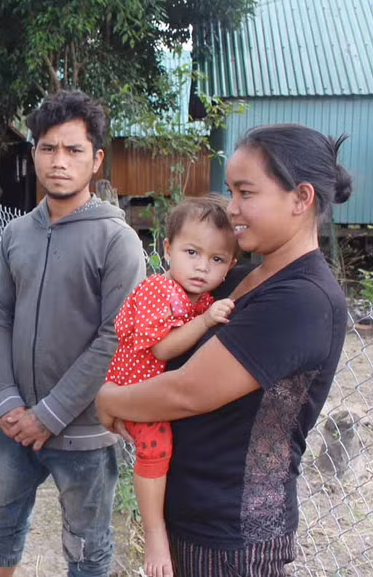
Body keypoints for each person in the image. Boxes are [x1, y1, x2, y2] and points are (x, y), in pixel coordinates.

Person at [96, 124, 351, 576]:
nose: (231, 209)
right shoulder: (238, 278)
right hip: (192, 514)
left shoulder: (302, 299)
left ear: (301, 198)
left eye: (245, 193)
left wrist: (108, 398)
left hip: (233, 537)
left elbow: (186, 392)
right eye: (230, 191)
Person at [0, 89, 146, 577]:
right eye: (48, 148)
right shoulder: (17, 234)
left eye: (73, 150)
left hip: (86, 434)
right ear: (33, 154)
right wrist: (7, 401)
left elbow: (115, 337)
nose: (59, 161)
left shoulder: (117, 240)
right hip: (14, 427)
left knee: (87, 548)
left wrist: (48, 415)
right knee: (0, 524)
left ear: (95, 160)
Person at [103, 195, 237, 577]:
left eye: (217, 259)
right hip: (136, 387)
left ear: (230, 266)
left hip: (154, 389)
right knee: (155, 448)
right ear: (167, 248)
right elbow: (163, 346)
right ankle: (154, 534)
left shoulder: (201, 298)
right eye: (191, 252)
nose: (201, 266)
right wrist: (207, 320)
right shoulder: (156, 291)